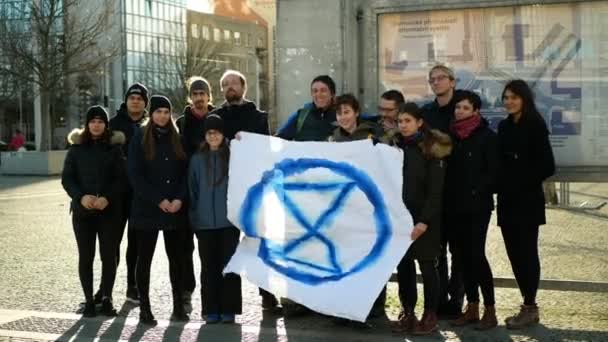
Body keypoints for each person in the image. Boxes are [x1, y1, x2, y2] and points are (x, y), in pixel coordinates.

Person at [209, 70, 279, 310]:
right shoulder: (216, 117)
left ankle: (267, 295)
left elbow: (267, 150)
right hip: (226, 191)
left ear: (243, 87)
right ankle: (229, 302)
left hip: (254, 190)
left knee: (261, 243)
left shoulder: (258, 117)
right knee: (228, 247)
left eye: (234, 83)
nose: (230, 87)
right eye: (225, 84)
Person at [497, 80, 555, 329]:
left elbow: (547, 166)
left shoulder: (535, 124)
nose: (509, 101)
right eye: (506, 97)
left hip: (527, 200)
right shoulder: (504, 126)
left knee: (527, 252)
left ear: (524, 99)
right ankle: (527, 305)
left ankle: (530, 306)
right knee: (513, 254)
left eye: (514, 97)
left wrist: (518, 176)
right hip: (507, 200)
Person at [390, 102, 451, 335]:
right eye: (400, 121)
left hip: (425, 220)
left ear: (419, 122)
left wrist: (424, 221)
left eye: (407, 121)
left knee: (427, 267)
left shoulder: (432, 149)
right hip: (401, 219)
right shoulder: (394, 147)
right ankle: (408, 312)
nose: (403, 126)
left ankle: (430, 314)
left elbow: (436, 191)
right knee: (404, 267)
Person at [128, 95, 189, 325]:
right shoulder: (139, 138)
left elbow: (186, 173)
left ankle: (178, 307)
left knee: (177, 260)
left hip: (174, 209)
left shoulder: (178, 138)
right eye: (158, 112)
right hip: (147, 209)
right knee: (144, 259)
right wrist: (159, 200)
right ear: (151, 114)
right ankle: (145, 308)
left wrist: (179, 200)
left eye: (165, 112)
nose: (162, 116)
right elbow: (135, 175)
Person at [61, 106, 126, 317]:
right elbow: (67, 179)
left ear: (106, 125)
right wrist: (81, 197)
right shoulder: (76, 149)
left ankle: (107, 298)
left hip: (109, 211)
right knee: (85, 256)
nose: (96, 125)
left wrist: (108, 197)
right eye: (93, 121)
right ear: (87, 125)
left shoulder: (115, 150)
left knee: (109, 257)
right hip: (83, 213)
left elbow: (122, 180)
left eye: (100, 121)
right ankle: (89, 300)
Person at [443, 91, 498, 330]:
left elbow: (495, 172)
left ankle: (490, 309)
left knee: (477, 255)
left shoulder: (487, 136)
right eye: (458, 108)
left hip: (477, 207)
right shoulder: (451, 137)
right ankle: (472, 307)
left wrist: (476, 190)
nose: (460, 112)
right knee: (462, 257)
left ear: (476, 111)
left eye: (465, 108)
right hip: (455, 206)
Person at [188, 114, 242, 324]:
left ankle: (229, 309)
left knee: (229, 266)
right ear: (205, 135)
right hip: (204, 224)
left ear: (222, 134)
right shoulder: (197, 159)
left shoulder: (233, 156)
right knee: (208, 268)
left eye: (217, 132)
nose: (213, 136)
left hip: (228, 223)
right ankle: (210, 309)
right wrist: (194, 217)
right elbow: (192, 190)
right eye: (209, 133)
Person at [420, 65, 464, 318]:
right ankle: (438, 299)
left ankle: (457, 300)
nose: (436, 82)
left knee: (459, 250)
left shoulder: (462, 107)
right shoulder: (427, 113)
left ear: (452, 81)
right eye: (432, 79)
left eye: (440, 78)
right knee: (437, 249)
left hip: (459, 189)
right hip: (436, 188)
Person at [176, 76, 216, 311]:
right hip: (186, 193)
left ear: (209, 96)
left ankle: (211, 298)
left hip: (211, 194)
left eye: (203, 94)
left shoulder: (218, 120)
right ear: (190, 97)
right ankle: (186, 291)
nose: (199, 98)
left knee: (210, 249)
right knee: (184, 247)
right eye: (195, 94)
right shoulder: (181, 123)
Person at [107, 82, 149, 305]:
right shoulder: (113, 124)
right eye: (132, 97)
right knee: (112, 242)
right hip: (116, 193)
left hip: (140, 195)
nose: (135, 101)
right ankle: (106, 290)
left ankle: (132, 286)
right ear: (126, 100)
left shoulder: (150, 125)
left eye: (140, 98)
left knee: (136, 243)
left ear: (145, 103)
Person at [276, 75, 338, 141]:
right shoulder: (302, 115)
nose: (318, 94)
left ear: (332, 94)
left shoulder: (341, 115)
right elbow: (280, 139)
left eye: (323, 90)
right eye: (315, 91)